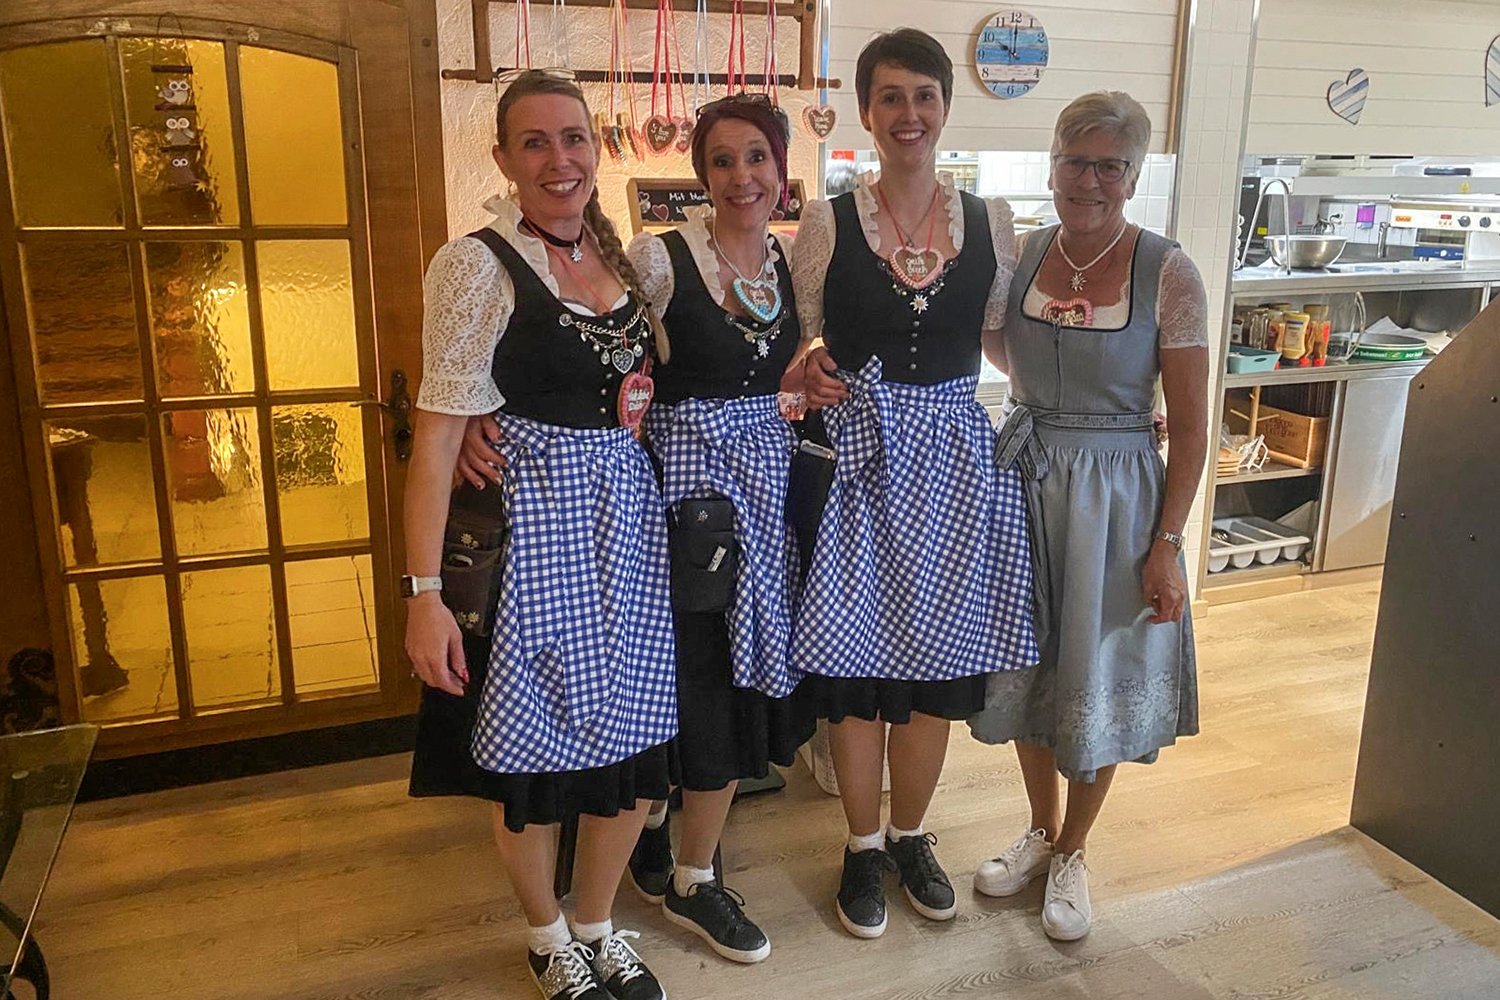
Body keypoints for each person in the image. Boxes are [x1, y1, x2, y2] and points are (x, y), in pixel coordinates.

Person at [458, 92, 816, 967]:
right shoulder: (657, 259)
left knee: (724, 691)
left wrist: (801, 387)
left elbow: (772, 369)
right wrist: (473, 413)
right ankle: (640, 852)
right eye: (722, 160)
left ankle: (688, 872)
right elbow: (588, 361)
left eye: (758, 158)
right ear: (700, 174)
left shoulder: (791, 264)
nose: (742, 176)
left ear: (782, 169)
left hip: (754, 508)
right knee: (666, 684)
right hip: (662, 508)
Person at [403, 70, 673, 1000]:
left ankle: (598, 923)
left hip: (629, 532)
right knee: (536, 750)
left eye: (574, 138)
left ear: (596, 147)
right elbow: (436, 443)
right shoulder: (476, 266)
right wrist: (423, 596)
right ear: (504, 159)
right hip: (537, 538)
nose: (559, 159)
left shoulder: (628, 262)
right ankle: (547, 937)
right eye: (535, 142)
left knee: (635, 741)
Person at [789, 28, 1039, 939]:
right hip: (860, 460)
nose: (909, 114)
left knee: (935, 672)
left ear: (945, 106)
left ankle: (909, 836)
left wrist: (1099, 402)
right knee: (858, 671)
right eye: (890, 97)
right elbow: (800, 347)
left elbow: (1005, 343)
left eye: (924, 96)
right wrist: (808, 376)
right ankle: (861, 846)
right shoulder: (825, 222)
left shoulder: (991, 220)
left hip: (955, 464)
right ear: (866, 112)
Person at [968, 90, 1209, 942]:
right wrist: (1048, 406)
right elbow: (999, 345)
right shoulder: (1022, 255)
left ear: (1134, 177)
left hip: (1117, 499)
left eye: (1111, 166)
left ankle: (1075, 848)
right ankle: (1040, 830)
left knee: (1094, 672)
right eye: (1077, 161)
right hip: (1026, 480)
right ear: (1053, 166)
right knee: (1029, 668)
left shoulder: (1168, 271)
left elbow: (1191, 425)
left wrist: (1168, 543)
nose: (1091, 180)